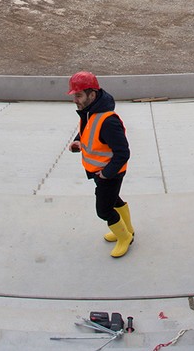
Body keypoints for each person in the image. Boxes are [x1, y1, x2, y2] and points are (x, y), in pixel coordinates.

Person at [67, 71, 134, 257]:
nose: (75, 100)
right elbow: (89, 133)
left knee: (104, 211)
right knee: (114, 200)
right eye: (74, 95)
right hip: (99, 171)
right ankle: (128, 229)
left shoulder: (108, 121)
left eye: (79, 95)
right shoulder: (89, 113)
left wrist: (106, 174)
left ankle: (125, 238)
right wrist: (78, 142)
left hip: (109, 174)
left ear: (92, 95)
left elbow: (123, 152)